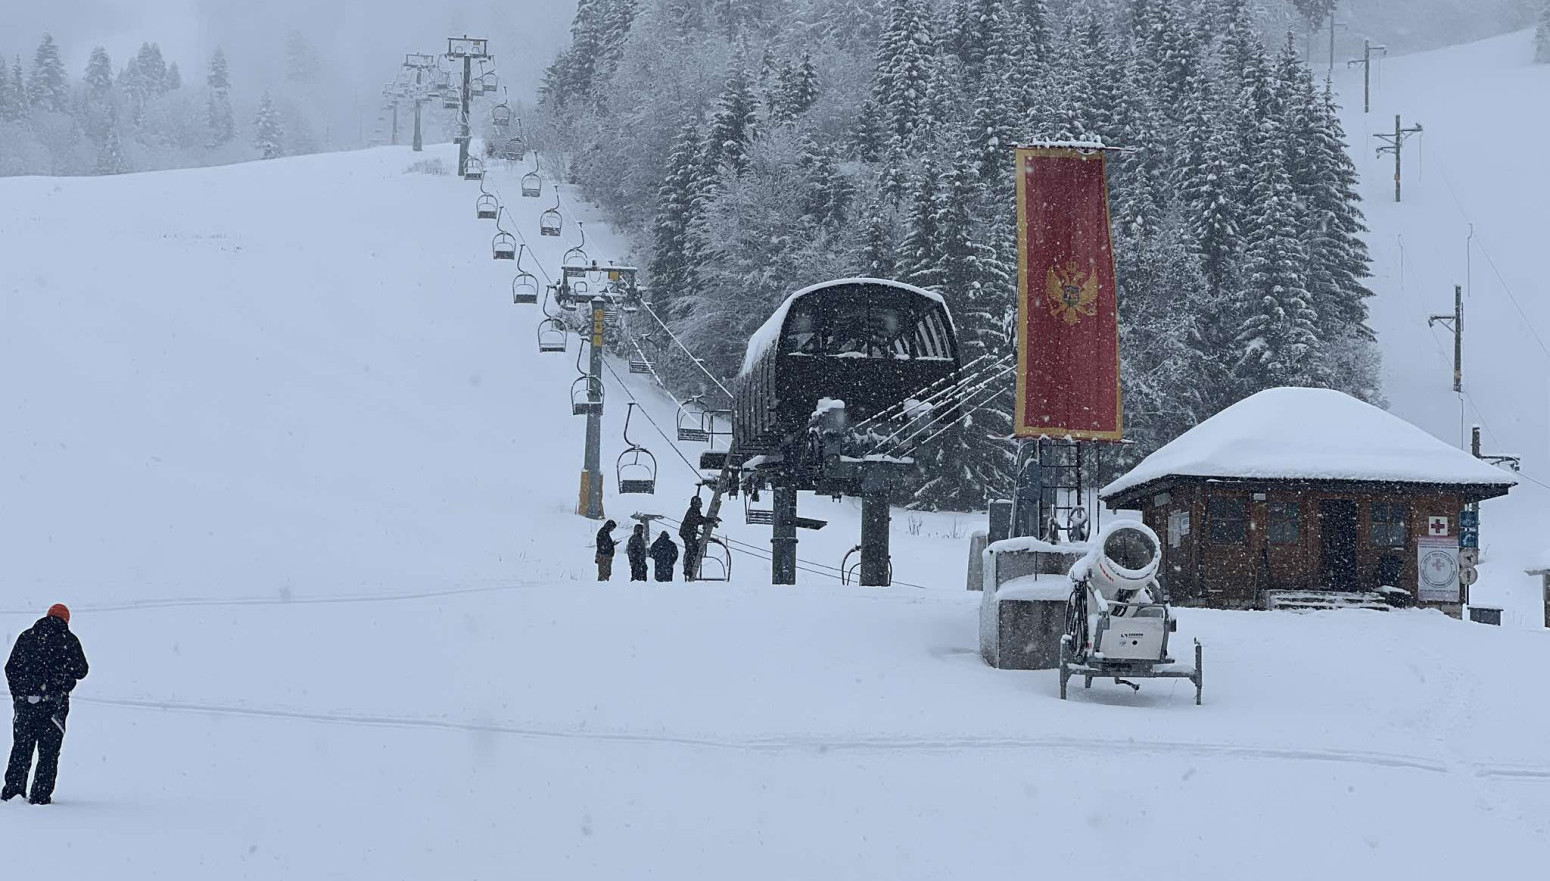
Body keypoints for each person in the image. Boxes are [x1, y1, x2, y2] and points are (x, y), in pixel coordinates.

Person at [4, 604, 89, 805]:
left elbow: (11, 669)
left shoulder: (27, 637)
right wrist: (63, 677)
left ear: (47, 615)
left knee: (21, 750)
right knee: (48, 754)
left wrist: (19, 694)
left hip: (26, 705)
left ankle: (13, 794)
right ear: (66, 620)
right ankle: (40, 798)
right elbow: (82, 670)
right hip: (54, 707)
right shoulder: (69, 640)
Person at [679, 496, 709, 582]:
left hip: (689, 533)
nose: (701, 505)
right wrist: (708, 520)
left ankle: (690, 567)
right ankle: (688, 569)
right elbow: (697, 520)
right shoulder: (692, 511)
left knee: (693, 549)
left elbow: (699, 519)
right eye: (699, 503)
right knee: (691, 549)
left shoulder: (694, 511)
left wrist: (708, 520)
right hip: (687, 533)